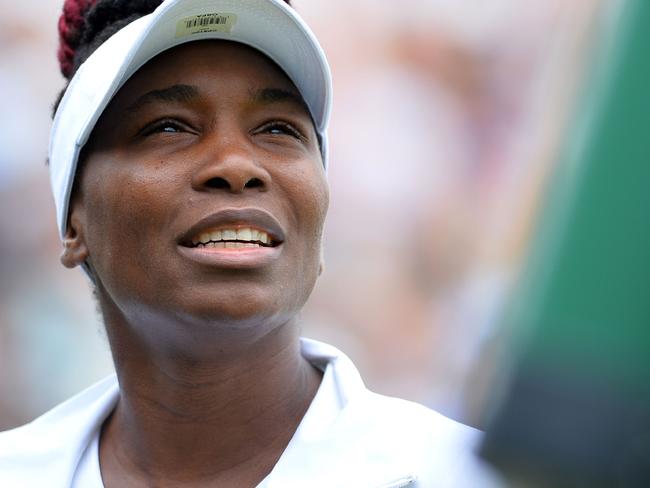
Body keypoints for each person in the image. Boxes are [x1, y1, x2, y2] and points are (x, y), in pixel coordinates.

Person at [0, 0, 483, 486]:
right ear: (73, 219)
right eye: (168, 127)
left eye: (278, 129)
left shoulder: (461, 474)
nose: (236, 165)